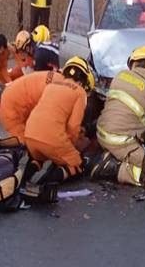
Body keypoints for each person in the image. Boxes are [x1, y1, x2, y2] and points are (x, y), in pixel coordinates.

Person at [87, 46, 145, 188]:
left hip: (101, 133)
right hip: (121, 141)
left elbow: (130, 118)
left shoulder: (119, 77)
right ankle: (110, 167)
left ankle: (111, 156)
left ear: (132, 63)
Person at [22, 57, 94, 185]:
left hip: (30, 135)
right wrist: (70, 148)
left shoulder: (51, 86)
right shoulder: (80, 92)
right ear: (84, 81)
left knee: (38, 158)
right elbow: (73, 126)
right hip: (52, 140)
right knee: (78, 164)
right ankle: (47, 181)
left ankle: (24, 178)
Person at [0, 60, 62, 142]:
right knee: (23, 141)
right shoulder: (58, 93)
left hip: (14, 97)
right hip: (10, 106)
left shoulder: (59, 78)